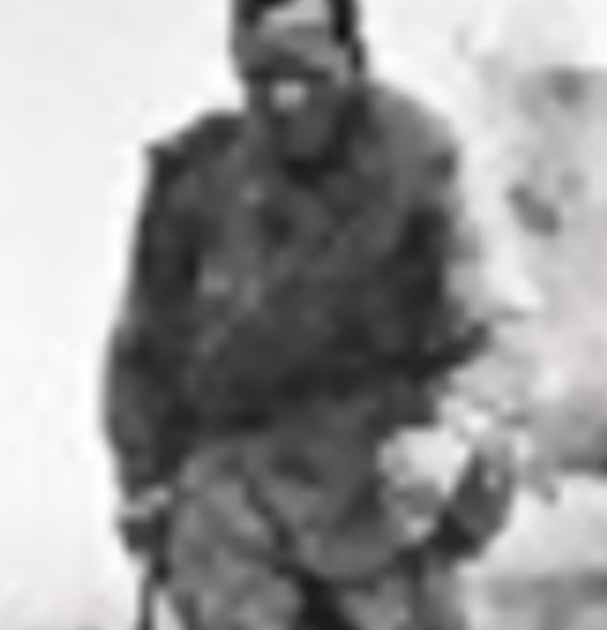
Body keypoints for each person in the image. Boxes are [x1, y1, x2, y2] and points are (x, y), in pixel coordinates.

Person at [103, 0, 517, 627]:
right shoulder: (196, 180)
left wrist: (455, 435)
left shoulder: (419, 163)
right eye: (262, 78)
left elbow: (493, 331)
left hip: (381, 502)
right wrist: (146, 483)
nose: (285, 99)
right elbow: (144, 356)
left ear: (352, 62)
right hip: (237, 515)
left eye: (306, 74)